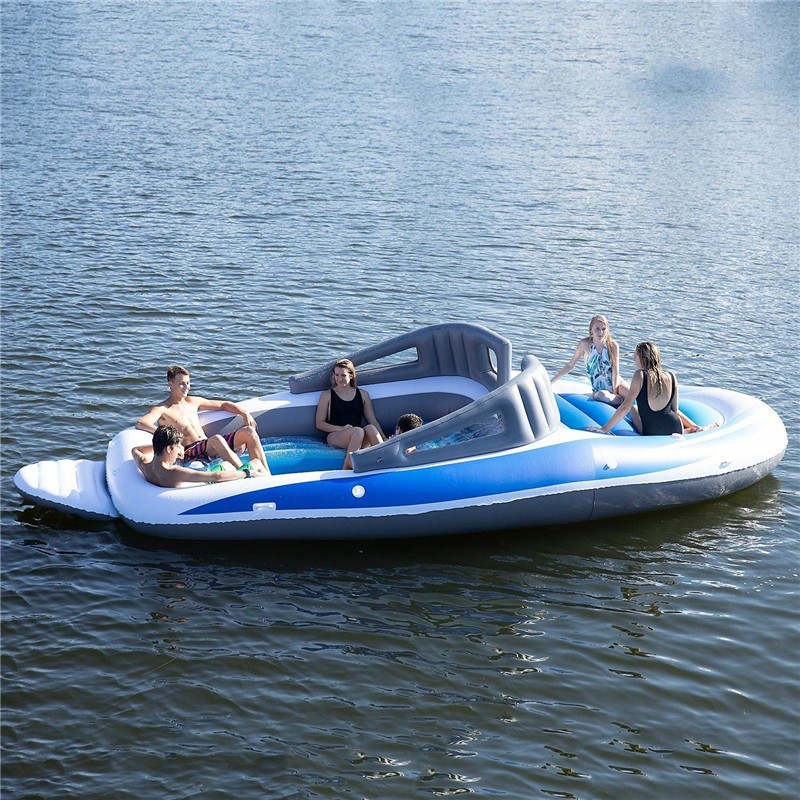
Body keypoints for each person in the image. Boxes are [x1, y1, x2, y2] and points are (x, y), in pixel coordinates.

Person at [136, 365, 269, 470]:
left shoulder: (193, 402)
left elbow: (223, 404)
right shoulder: (163, 408)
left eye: (188, 383)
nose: (186, 387)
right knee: (217, 439)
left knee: (249, 432)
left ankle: (265, 474)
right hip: (190, 451)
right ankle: (245, 474)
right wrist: (169, 438)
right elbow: (142, 423)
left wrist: (244, 413)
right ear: (171, 384)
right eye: (182, 384)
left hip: (208, 445)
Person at [594, 341, 705, 435]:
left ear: (643, 359)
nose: (634, 360)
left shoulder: (640, 375)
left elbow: (625, 407)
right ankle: (691, 429)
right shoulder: (672, 376)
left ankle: (691, 429)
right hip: (675, 427)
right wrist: (693, 425)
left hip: (652, 431)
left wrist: (605, 429)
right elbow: (675, 411)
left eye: (635, 357)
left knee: (633, 408)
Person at [132, 425, 269, 488]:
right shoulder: (173, 472)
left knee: (226, 464)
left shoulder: (144, 465)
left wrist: (160, 444)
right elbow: (217, 477)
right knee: (256, 463)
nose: (180, 450)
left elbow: (135, 450)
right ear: (169, 449)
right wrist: (247, 473)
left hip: (164, 450)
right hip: (207, 486)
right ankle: (269, 483)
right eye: (178, 446)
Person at [315, 358, 385, 469]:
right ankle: (348, 464)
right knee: (358, 431)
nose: (339, 379)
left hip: (358, 436)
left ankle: (386, 460)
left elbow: (372, 420)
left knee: (370, 428)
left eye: (343, 375)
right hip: (335, 436)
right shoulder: (327, 395)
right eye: (337, 375)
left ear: (351, 375)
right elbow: (319, 424)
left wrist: (384, 437)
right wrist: (341, 428)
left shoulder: (363, 394)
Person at [550, 315, 629, 405]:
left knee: (632, 396)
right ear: (591, 329)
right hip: (598, 390)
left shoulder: (612, 345)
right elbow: (570, 365)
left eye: (603, 329)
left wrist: (615, 392)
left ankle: (622, 402)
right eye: (597, 329)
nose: (600, 332)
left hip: (617, 384)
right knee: (603, 395)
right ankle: (619, 401)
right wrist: (550, 383)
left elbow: (615, 371)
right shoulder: (585, 344)